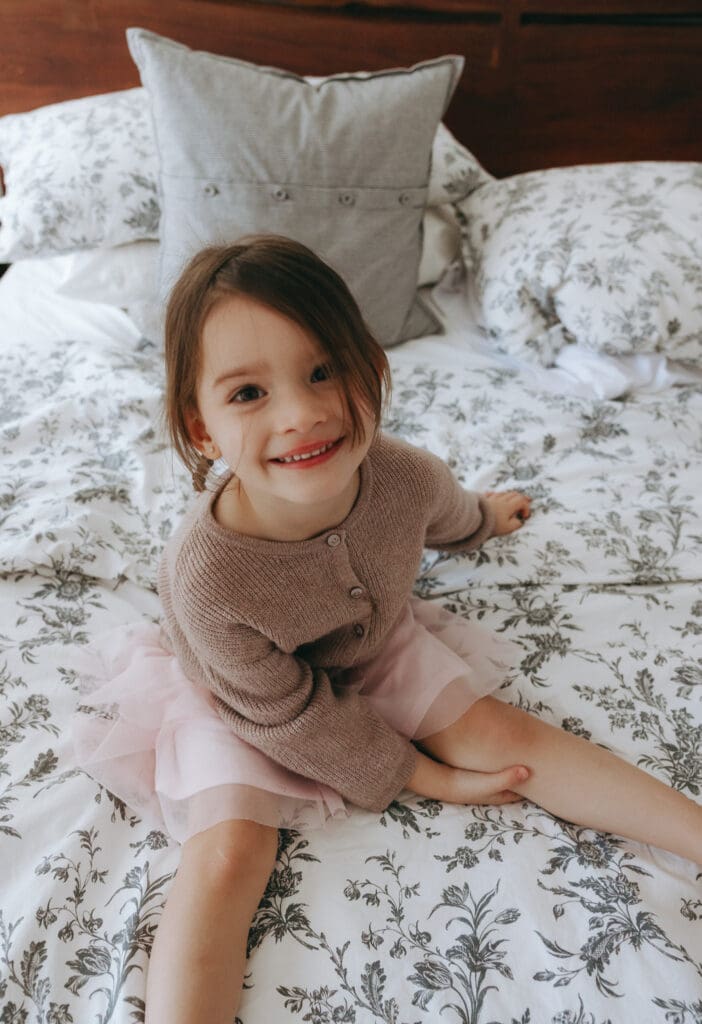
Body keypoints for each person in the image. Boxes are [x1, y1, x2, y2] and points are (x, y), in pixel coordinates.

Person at [73, 235, 702, 1024]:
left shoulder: (404, 474)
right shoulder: (209, 580)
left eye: (323, 370)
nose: (303, 414)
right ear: (200, 429)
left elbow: (449, 514)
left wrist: (484, 520)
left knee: (500, 735)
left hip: (370, 639)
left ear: (370, 363)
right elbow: (287, 711)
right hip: (244, 692)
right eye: (247, 394)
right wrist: (417, 772)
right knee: (230, 852)